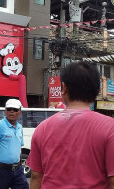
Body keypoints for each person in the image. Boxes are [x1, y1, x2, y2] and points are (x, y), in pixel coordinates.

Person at [27, 61, 114, 189]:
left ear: (64, 88)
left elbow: (36, 176)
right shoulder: (110, 128)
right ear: (98, 90)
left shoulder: (43, 128)